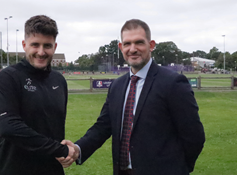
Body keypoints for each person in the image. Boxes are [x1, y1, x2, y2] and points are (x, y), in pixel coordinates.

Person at [58, 19, 205, 175]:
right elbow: (103, 127)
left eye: (139, 43)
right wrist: (78, 148)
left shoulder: (172, 83)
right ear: (121, 47)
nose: (132, 49)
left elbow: (194, 136)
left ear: (151, 45)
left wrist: (179, 168)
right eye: (127, 44)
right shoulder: (117, 86)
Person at [0, 15, 75, 175]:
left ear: (55, 47)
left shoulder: (59, 80)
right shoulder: (9, 77)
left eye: (47, 46)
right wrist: (59, 149)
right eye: (35, 45)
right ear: (24, 45)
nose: (41, 52)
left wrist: (64, 151)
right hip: (15, 169)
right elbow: (8, 126)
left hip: (52, 169)